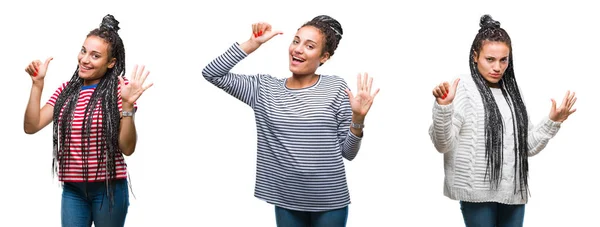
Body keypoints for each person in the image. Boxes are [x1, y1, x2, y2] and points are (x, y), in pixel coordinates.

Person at [202, 15, 379, 227]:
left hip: (330, 199)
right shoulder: (263, 89)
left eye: (309, 45)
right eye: (296, 41)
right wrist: (253, 43)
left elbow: (348, 153)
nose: (298, 49)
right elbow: (212, 74)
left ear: (324, 57)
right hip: (287, 199)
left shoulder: (337, 88)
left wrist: (358, 118)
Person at [428, 14, 577, 227]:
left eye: (503, 60)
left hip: (513, 193)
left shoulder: (512, 94)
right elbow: (443, 144)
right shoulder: (462, 89)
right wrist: (443, 107)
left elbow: (526, 147)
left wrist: (553, 121)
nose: (497, 67)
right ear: (475, 56)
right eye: (490, 59)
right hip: (477, 194)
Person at [23, 14, 153, 227]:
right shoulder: (66, 91)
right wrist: (37, 84)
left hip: (109, 189)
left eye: (95, 56)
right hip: (73, 190)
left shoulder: (119, 90)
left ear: (111, 63)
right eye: (84, 51)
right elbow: (31, 126)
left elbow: (127, 148)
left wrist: (128, 105)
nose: (84, 59)